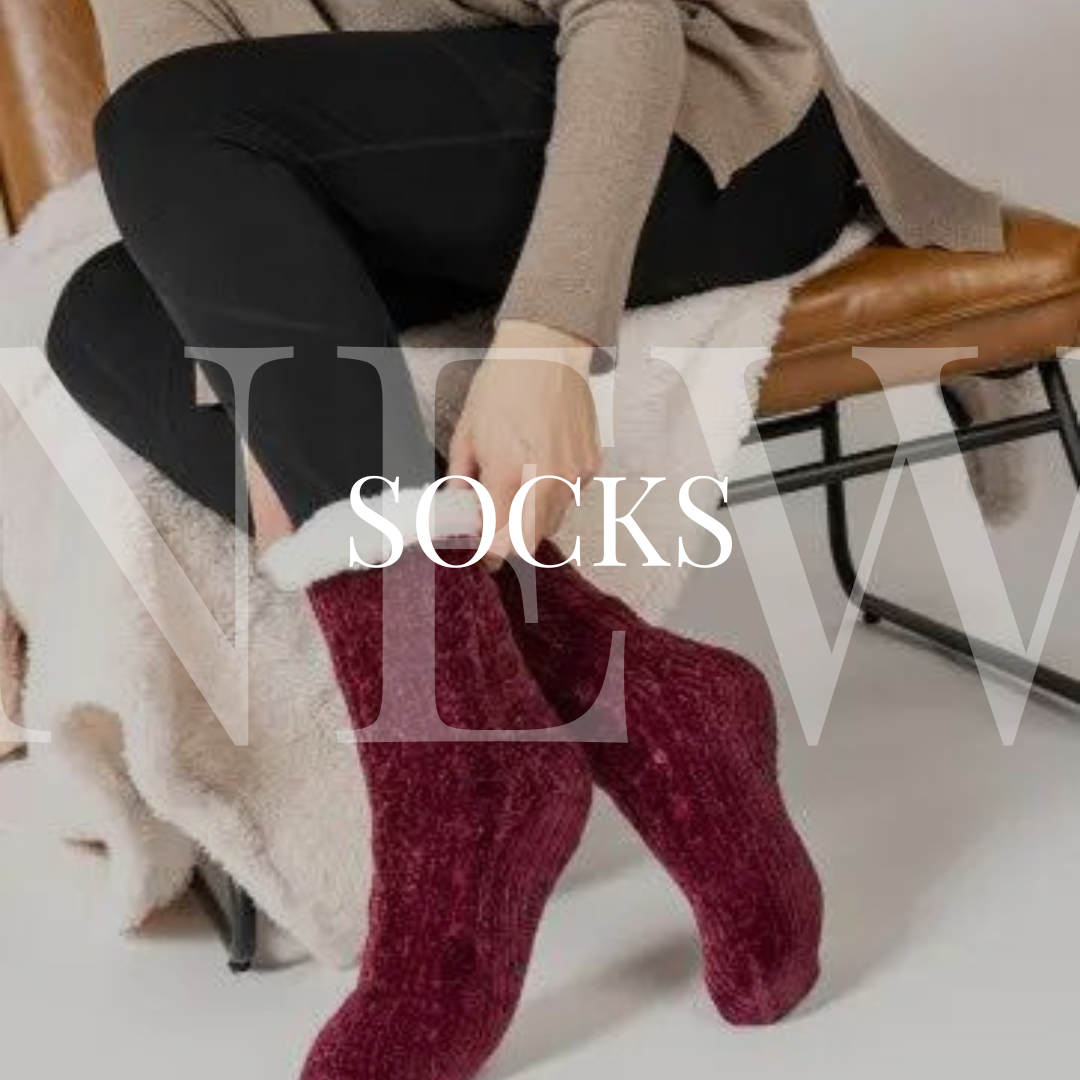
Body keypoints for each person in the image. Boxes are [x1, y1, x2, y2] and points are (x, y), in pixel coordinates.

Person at [45, 2, 1004, 1078]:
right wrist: (267, 392)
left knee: (163, 136)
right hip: (419, 168)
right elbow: (193, 185)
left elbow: (625, 21)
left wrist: (547, 344)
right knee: (103, 311)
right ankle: (623, 699)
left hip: (702, 128)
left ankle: (462, 789)